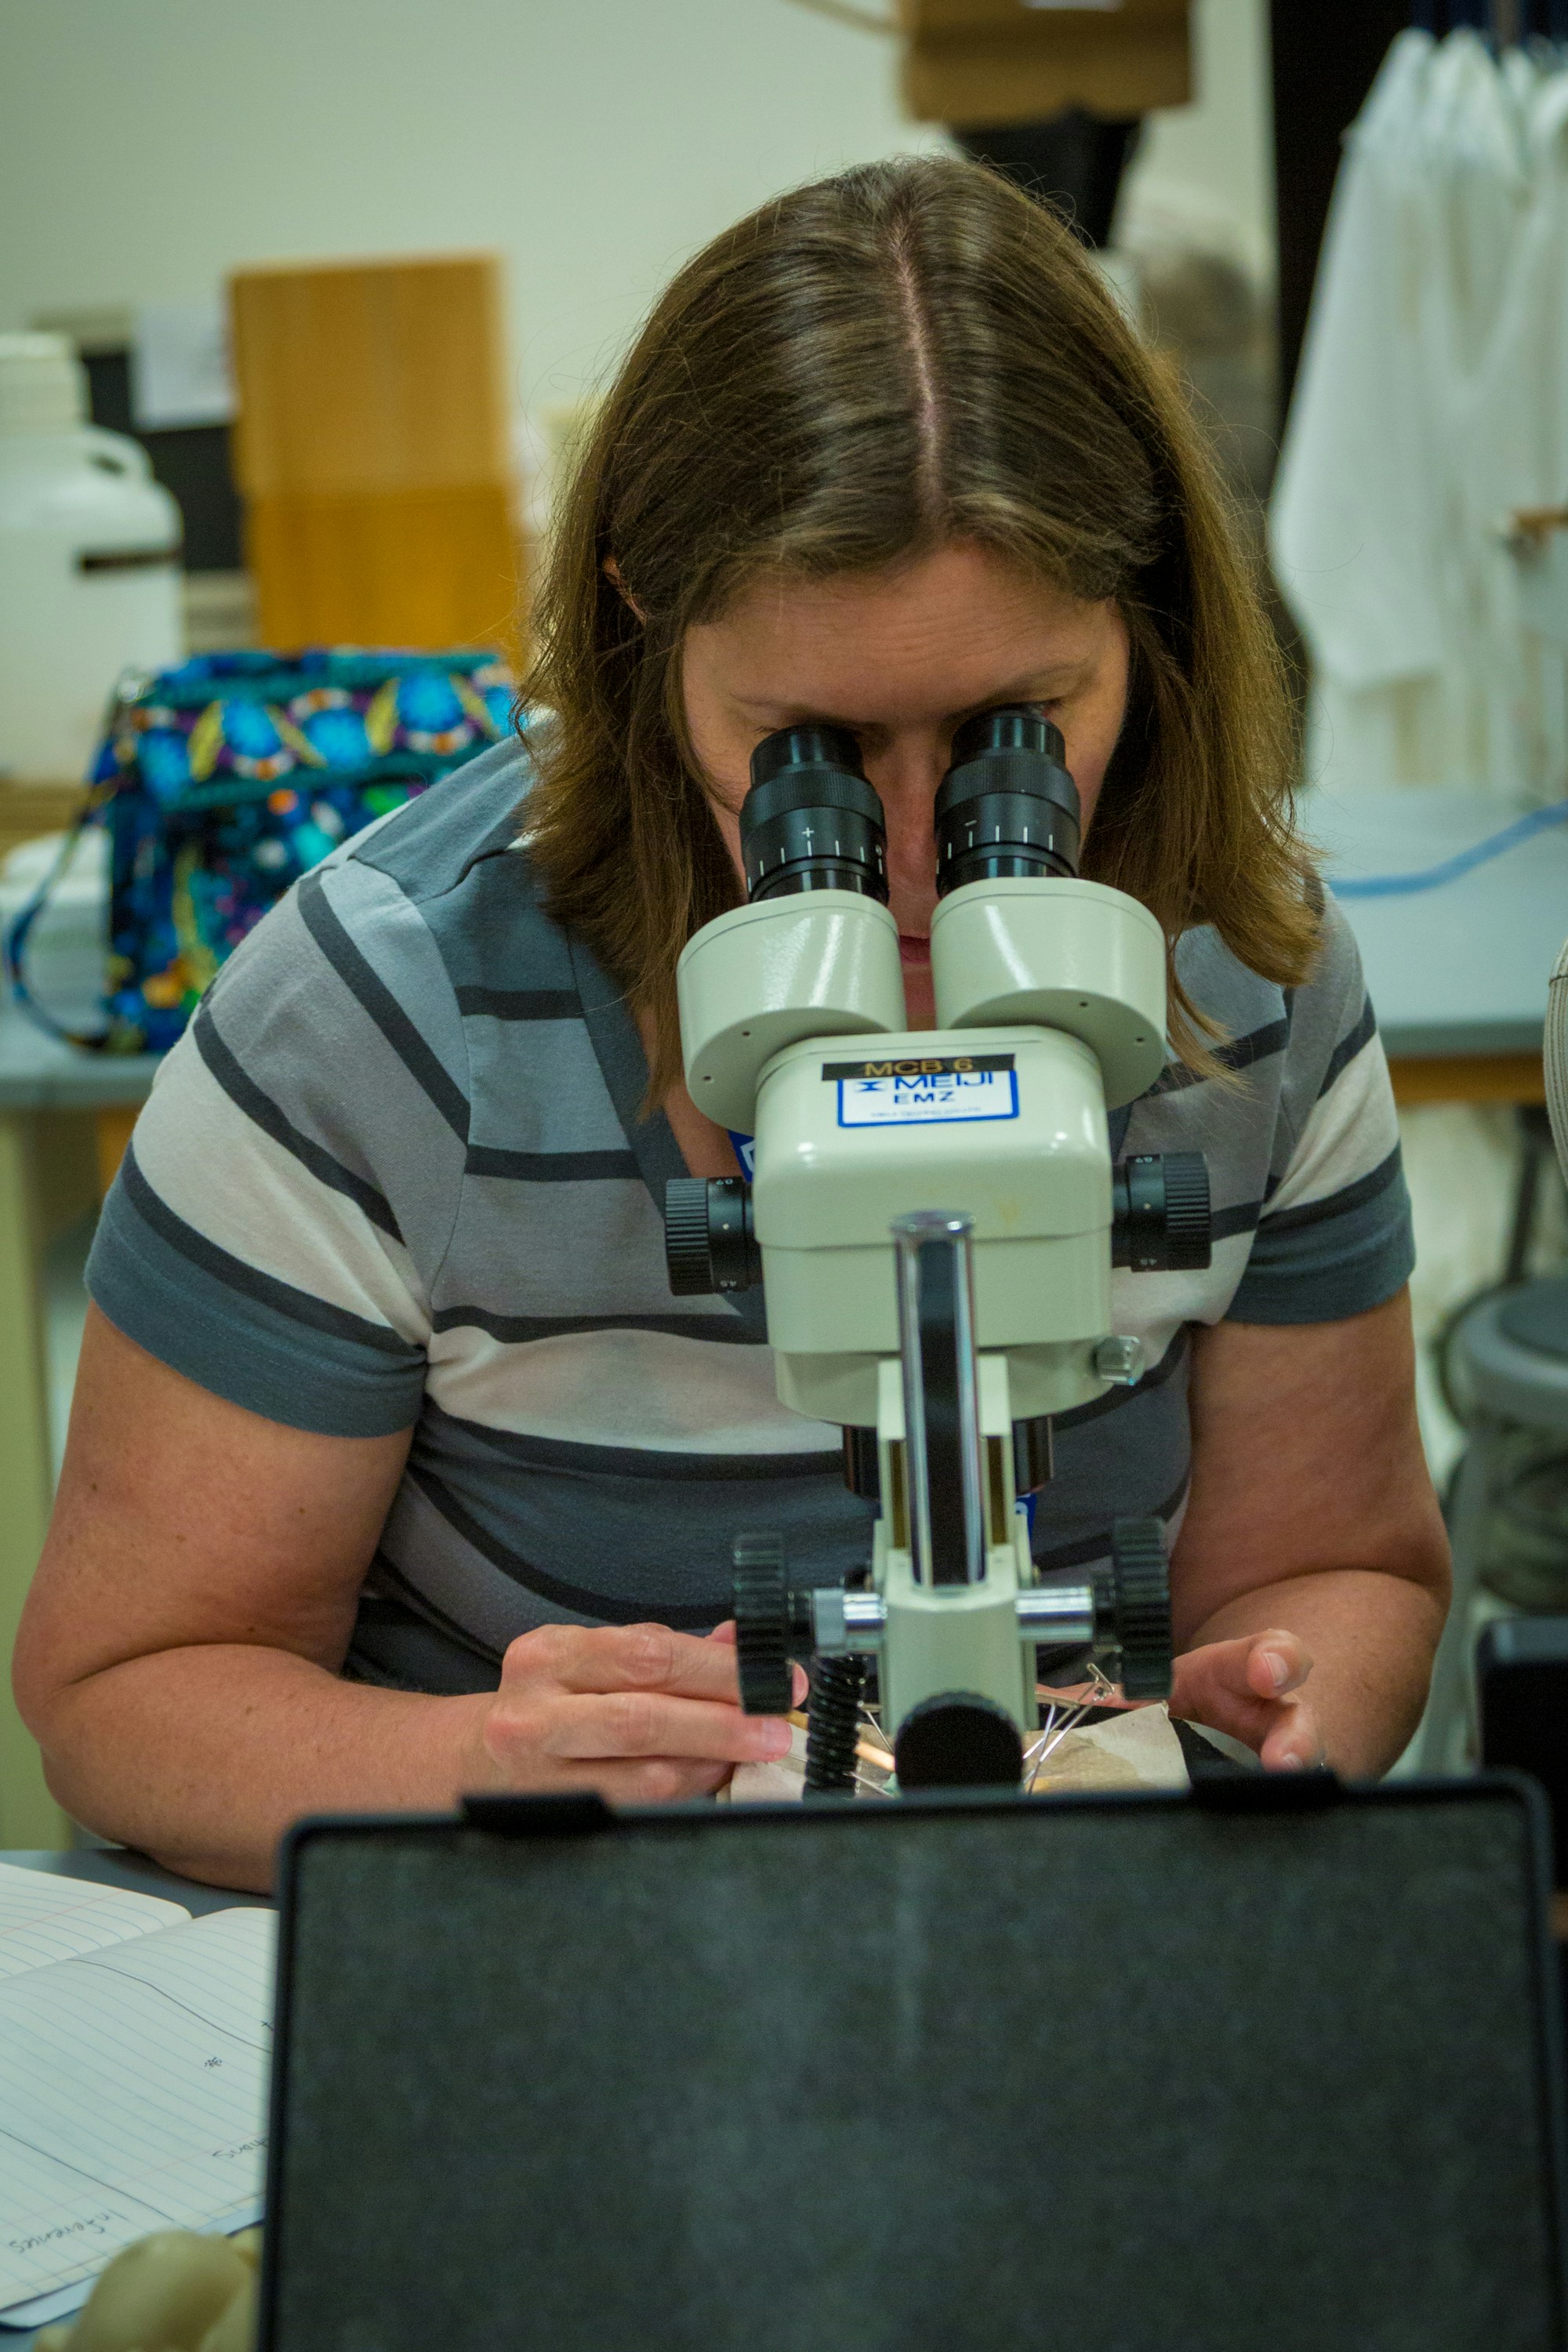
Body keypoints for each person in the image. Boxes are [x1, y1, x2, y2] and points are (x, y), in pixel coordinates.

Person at [14, 158, 1449, 1892]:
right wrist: (487, 1764)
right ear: (640, 608)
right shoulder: (380, 1015)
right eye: (812, 753)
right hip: (556, 1938)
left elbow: (1342, 1575)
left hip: (1067, 1908)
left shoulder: (1245, 979)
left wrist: (1258, 1722)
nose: (918, 865)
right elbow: (123, 1691)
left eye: (1016, 726)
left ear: (1142, 620)